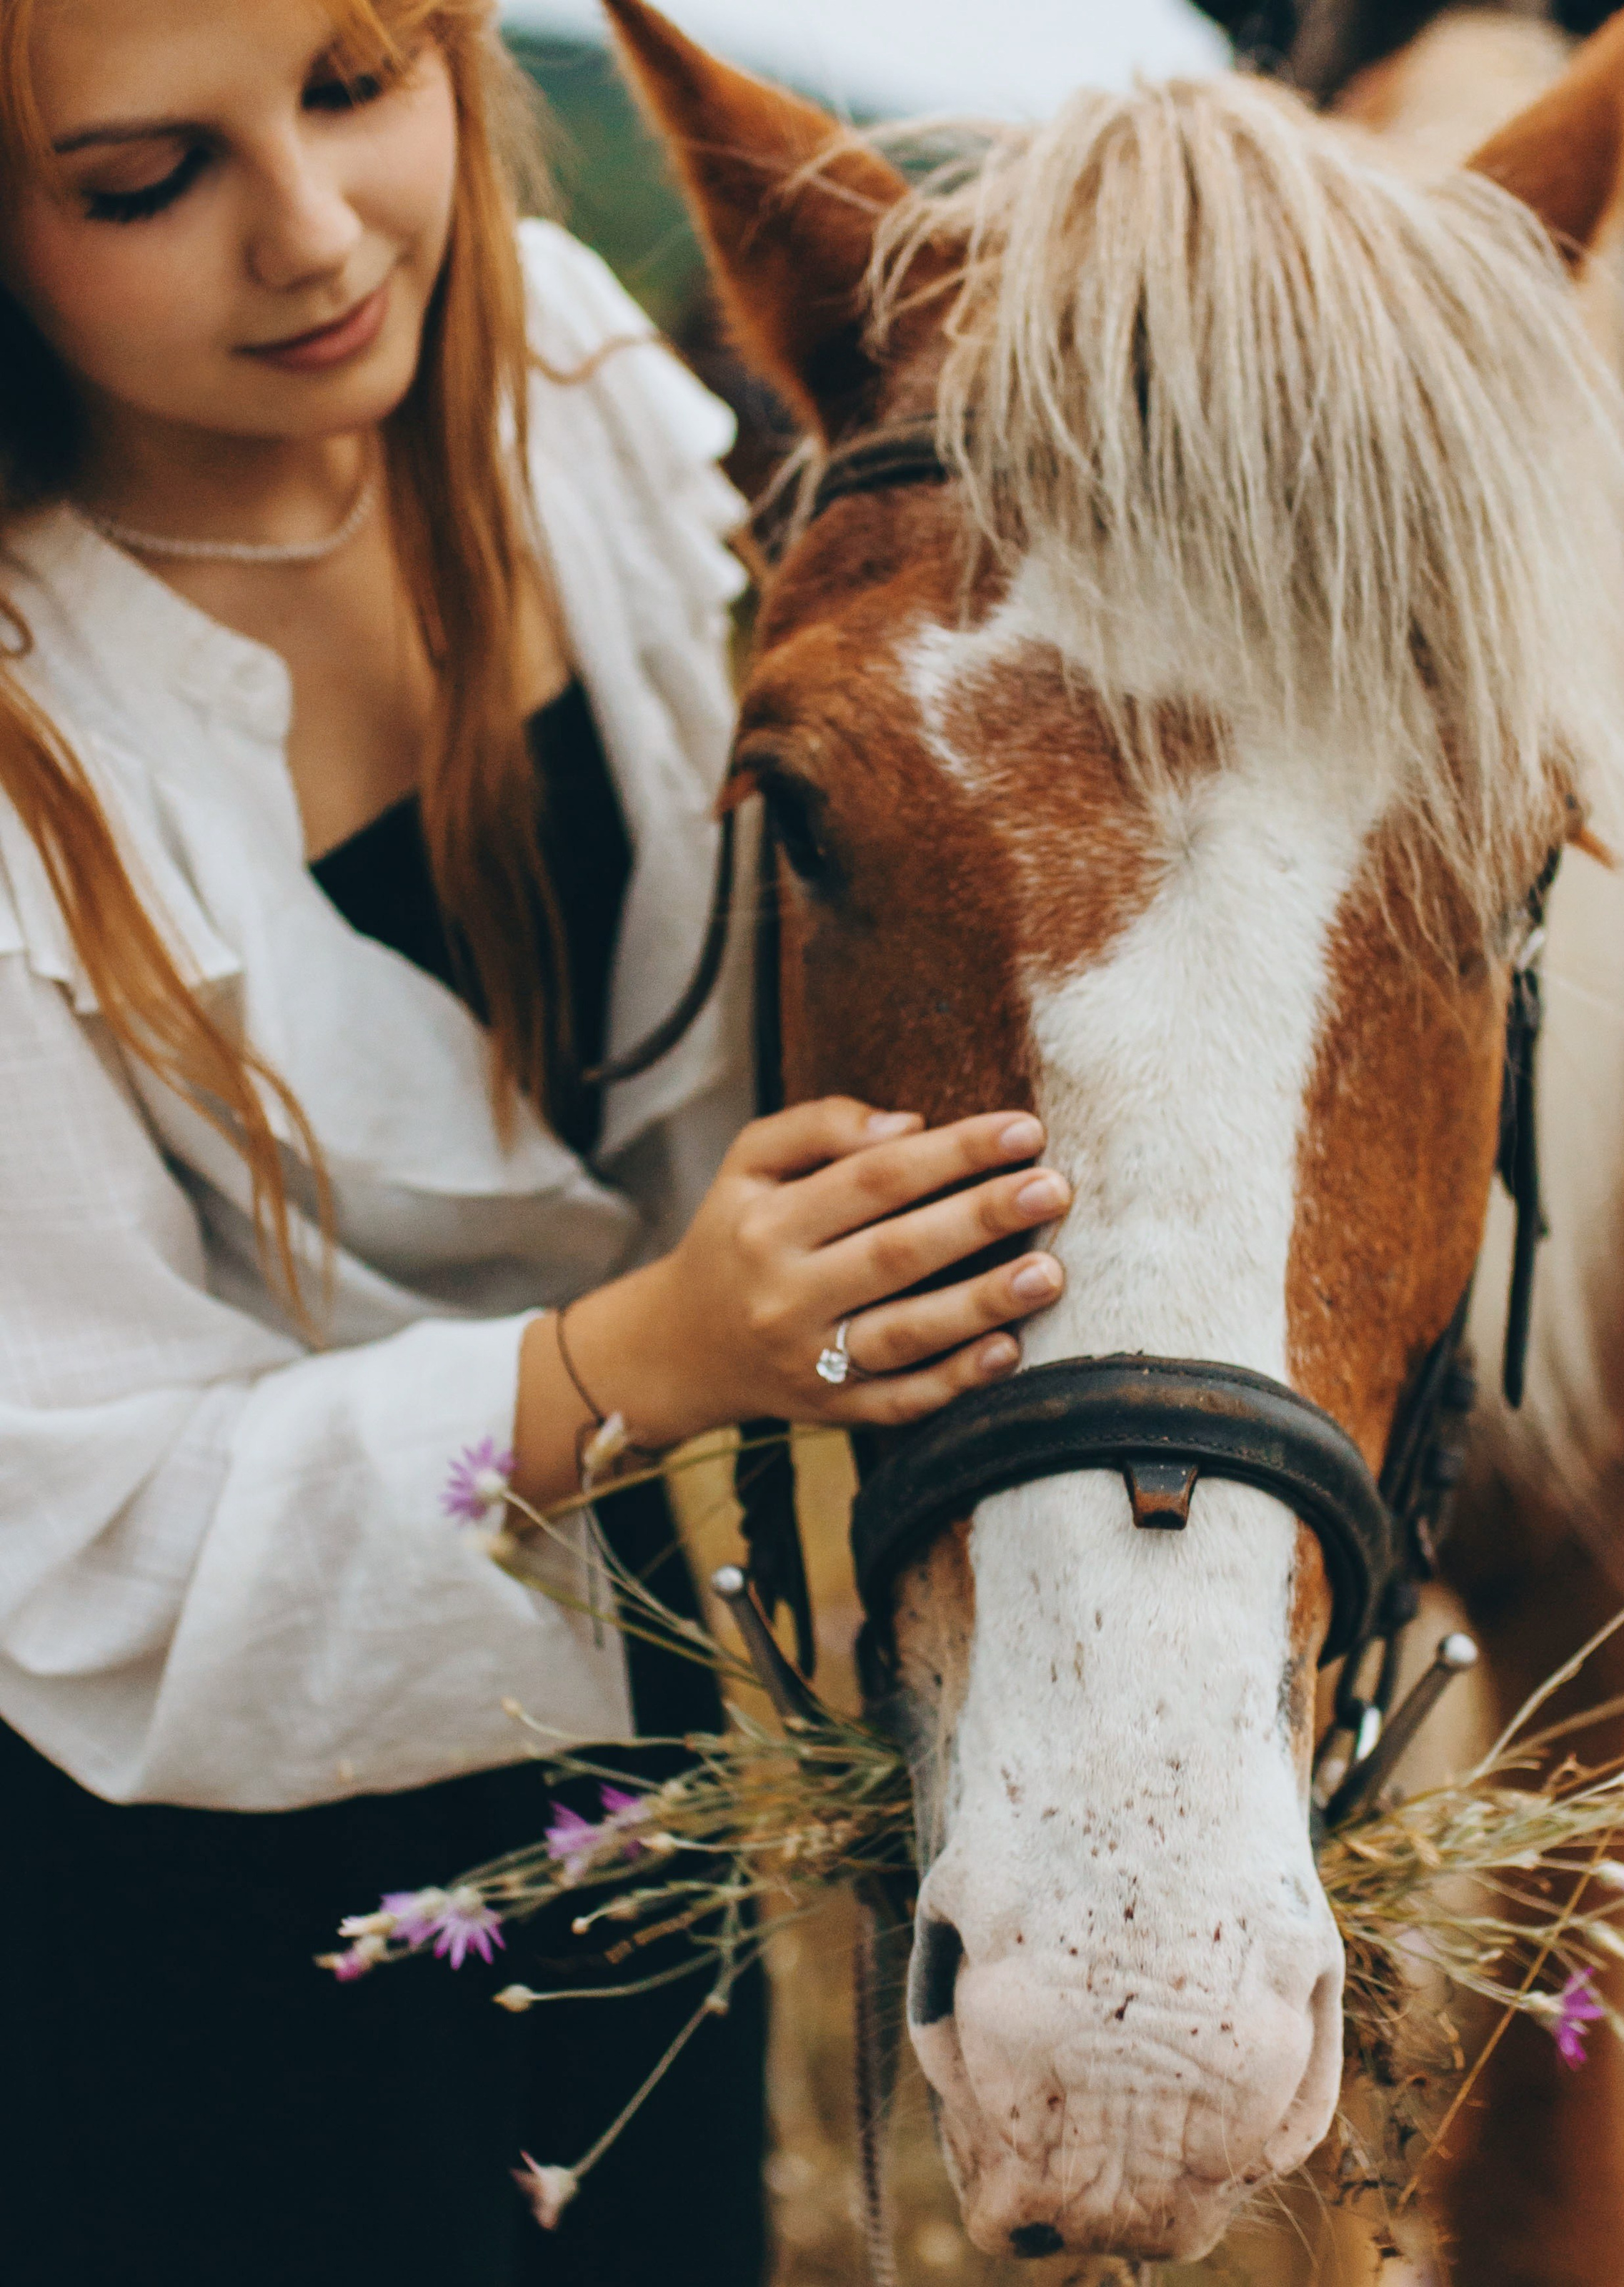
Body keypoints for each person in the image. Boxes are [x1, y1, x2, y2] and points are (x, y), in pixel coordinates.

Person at [0, 2, 1075, 2280]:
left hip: (612, 1702)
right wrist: (641, 1362)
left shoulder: (566, 384)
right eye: (144, 180)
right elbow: (73, 1525)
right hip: (163, 1855)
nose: (315, 236)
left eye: (356, 85)